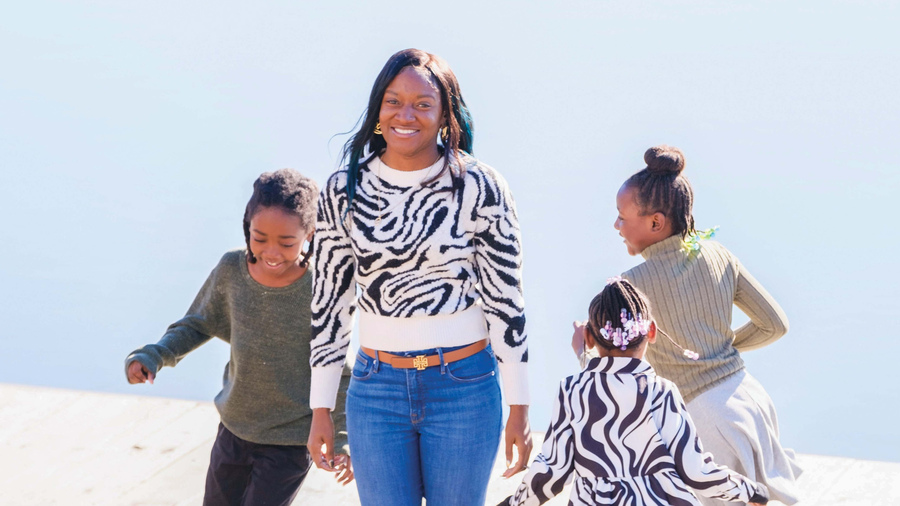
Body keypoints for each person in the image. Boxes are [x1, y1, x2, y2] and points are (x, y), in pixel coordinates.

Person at [306, 48, 532, 506]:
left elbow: (506, 300)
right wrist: (321, 408)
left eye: (423, 103)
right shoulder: (342, 191)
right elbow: (330, 305)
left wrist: (520, 408)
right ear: (377, 110)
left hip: (465, 386)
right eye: (393, 101)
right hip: (375, 389)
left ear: (446, 114)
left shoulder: (479, 185)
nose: (405, 114)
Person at [124, 169, 353, 506]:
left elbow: (338, 369)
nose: (271, 251)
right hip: (233, 430)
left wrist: (343, 438)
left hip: (289, 440)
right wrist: (154, 355)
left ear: (310, 233)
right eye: (259, 238)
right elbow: (197, 324)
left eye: (286, 242)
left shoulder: (321, 287)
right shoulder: (232, 270)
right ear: (247, 226)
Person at [590, 145, 801, 505]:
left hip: (707, 419)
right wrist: (720, 347)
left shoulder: (629, 287)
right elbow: (774, 325)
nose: (616, 225)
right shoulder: (718, 254)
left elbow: (616, 368)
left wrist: (583, 346)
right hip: (750, 398)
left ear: (655, 222)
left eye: (622, 217)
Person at [501, 278, 770, 506]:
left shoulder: (573, 390)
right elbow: (695, 472)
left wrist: (513, 503)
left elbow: (552, 471)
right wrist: (750, 491)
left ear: (589, 338)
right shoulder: (661, 391)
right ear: (651, 332)